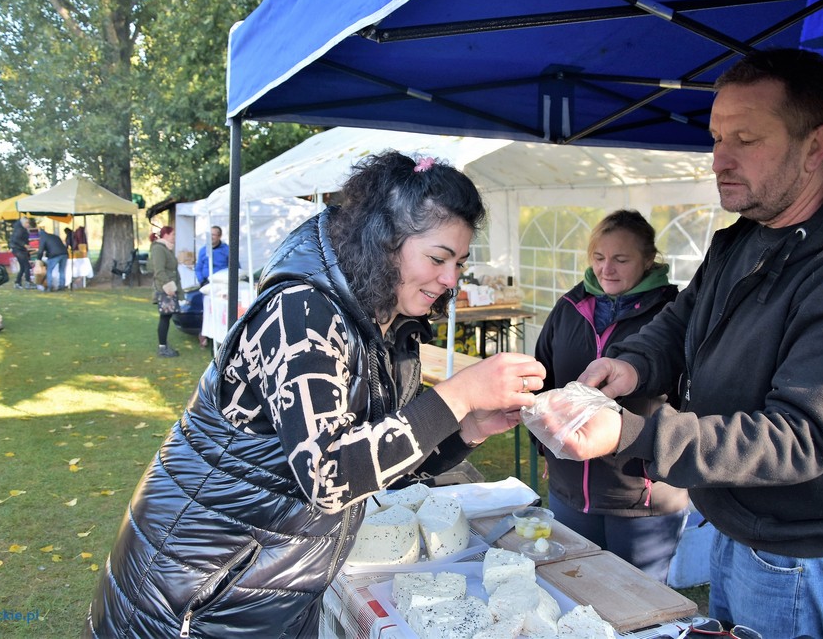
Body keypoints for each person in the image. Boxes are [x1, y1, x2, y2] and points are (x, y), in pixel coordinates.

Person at [531, 48, 823, 637]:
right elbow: (681, 323)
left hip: (808, 557)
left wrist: (636, 434)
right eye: (716, 138)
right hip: (734, 521)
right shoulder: (742, 238)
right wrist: (632, 366)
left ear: (814, 145)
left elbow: (801, 438)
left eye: (745, 139)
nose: (720, 159)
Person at [84, 151, 547, 638]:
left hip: (268, 586)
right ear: (383, 243)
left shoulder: (383, 321)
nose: (451, 279)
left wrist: (464, 429)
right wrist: (457, 395)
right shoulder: (301, 315)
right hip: (194, 596)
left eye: (458, 262)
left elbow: (378, 465)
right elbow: (329, 476)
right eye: (437, 258)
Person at [533, 209, 687, 583]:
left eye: (621, 259)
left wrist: (661, 466)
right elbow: (544, 381)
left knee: (638, 606)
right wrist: (546, 449)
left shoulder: (675, 313)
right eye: (599, 258)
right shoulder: (569, 308)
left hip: (641, 498)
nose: (607, 269)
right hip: (569, 490)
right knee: (573, 597)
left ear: (648, 260)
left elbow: (690, 402)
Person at [148, 225, 183, 358]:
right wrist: (170, 288)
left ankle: (164, 345)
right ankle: (162, 348)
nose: (174, 237)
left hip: (169, 289)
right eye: (173, 234)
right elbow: (159, 271)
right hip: (165, 290)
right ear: (166, 235)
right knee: (164, 318)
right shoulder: (158, 249)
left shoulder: (166, 248)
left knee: (166, 318)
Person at [9, 215, 33, 289]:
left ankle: (17, 282)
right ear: (22, 223)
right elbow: (16, 239)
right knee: (26, 265)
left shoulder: (21, 229)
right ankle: (27, 282)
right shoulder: (20, 230)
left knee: (23, 267)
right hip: (19, 250)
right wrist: (24, 245)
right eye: (27, 223)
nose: (28, 224)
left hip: (19, 249)